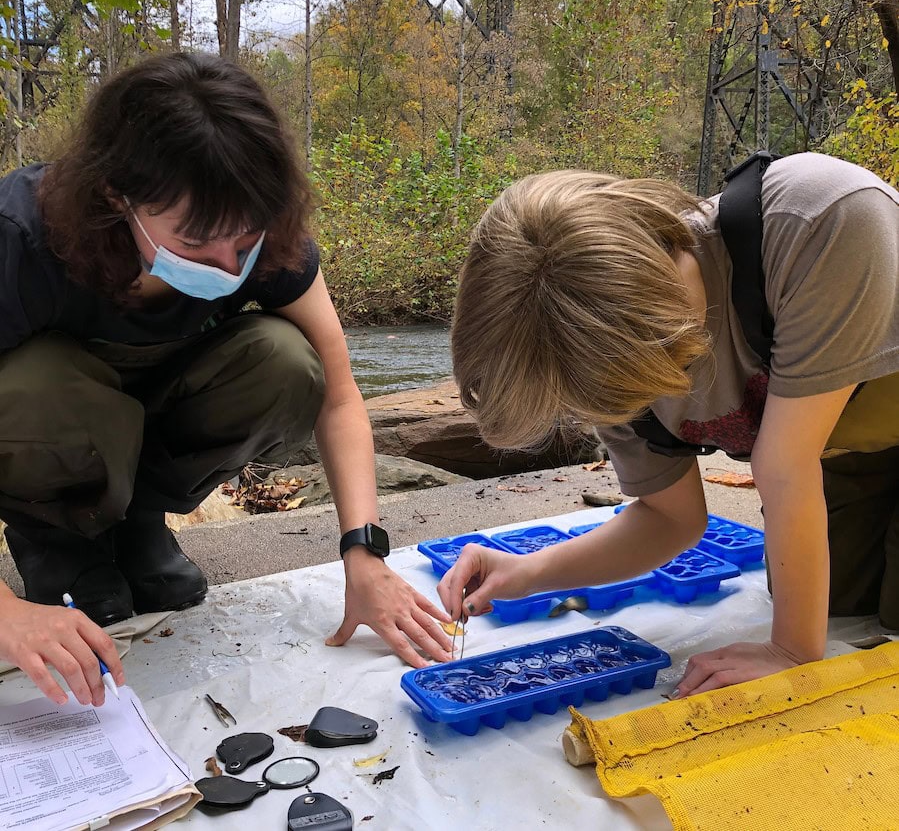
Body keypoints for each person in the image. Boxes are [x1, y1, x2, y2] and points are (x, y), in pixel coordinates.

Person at [0, 52, 452, 708]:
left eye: (244, 238)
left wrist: (364, 551)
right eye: (196, 241)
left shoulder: (262, 235)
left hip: (155, 419)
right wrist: (6, 612)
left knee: (287, 359)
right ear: (114, 195)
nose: (228, 261)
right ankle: (59, 539)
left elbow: (340, 391)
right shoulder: (18, 237)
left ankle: (138, 526)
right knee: (38, 387)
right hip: (50, 421)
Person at [439, 152, 899, 697]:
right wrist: (529, 572)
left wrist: (791, 653)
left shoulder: (818, 218)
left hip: (842, 432)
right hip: (844, 453)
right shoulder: (592, 358)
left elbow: (783, 465)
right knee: (838, 606)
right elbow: (669, 519)